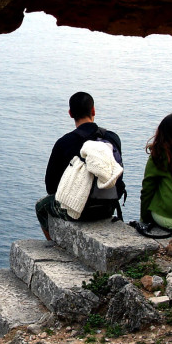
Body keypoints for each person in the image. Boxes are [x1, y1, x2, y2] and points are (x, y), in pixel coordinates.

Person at [35, 92, 126, 240]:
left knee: (41, 207)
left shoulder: (64, 143)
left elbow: (51, 187)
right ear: (93, 111)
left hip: (79, 210)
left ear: (70, 113)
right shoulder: (112, 138)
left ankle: (53, 244)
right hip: (108, 207)